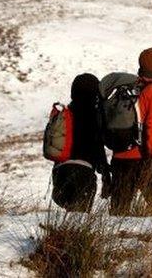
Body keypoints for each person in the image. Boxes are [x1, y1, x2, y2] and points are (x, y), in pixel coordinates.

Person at [109, 48, 152, 216]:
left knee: (117, 214)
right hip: (143, 158)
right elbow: (150, 125)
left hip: (119, 157)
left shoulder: (131, 86)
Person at [52, 73, 109, 212]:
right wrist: (106, 174)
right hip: (83, 174)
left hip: (60, 173)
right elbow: (98, 149)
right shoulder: (94, 116)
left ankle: (61, 233)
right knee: (79, 217)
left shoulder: (64, 114)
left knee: (70, 213)